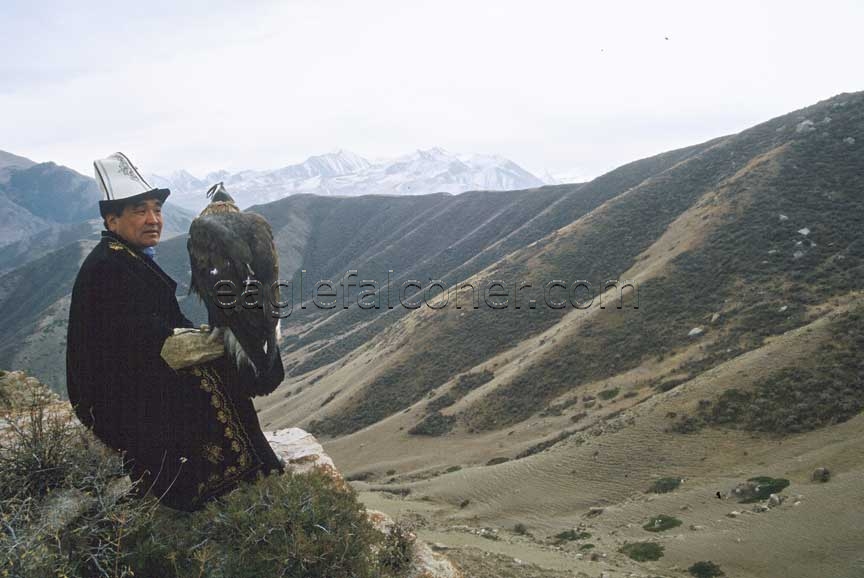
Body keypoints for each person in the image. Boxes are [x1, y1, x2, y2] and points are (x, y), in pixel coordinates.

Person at [66, 152, 284, 512]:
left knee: (218, 367)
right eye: (140, 211)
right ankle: (223, 480)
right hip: (112, 398)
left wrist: (211, 341)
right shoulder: (109, 269)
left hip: (131, 376)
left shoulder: (126, 256)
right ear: (111, 219)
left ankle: (252, 465)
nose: (153, 220)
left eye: (157, 210)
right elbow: (155, 341)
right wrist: (220, 345)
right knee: (211, 379)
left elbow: (163, 324)